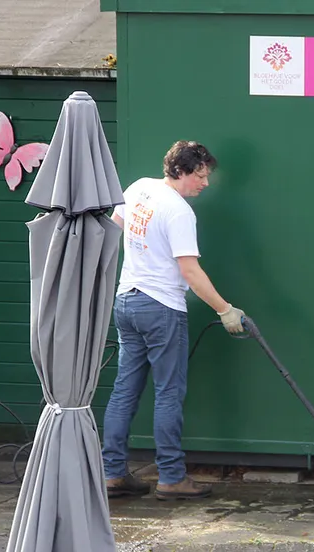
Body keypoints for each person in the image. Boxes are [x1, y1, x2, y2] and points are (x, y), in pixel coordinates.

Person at [102, 141, 247, 501]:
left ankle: (112, 473)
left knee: (124, 390)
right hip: (161, 307)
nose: (205, 183)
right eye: (200, 176)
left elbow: (112, 231)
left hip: (126, 300)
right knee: (168, 392)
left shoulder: (139, 188)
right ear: (180, 171)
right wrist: (224, 309)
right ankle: (171, 477)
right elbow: (190, 271)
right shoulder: (179, 212)